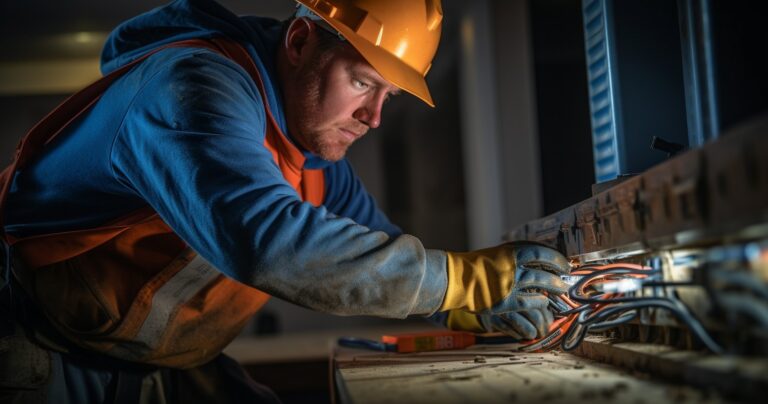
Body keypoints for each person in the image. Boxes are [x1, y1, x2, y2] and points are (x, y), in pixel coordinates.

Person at [0, 0, 571, 402]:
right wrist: (463, 279)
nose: (374, 117)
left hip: (158, 366)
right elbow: (266, 240)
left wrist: (463, 307)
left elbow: (380, 255)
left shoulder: (314, 159)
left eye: (388, 96)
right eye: (364, 82)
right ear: (300, 42)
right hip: (38, 349)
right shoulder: (192, 88)